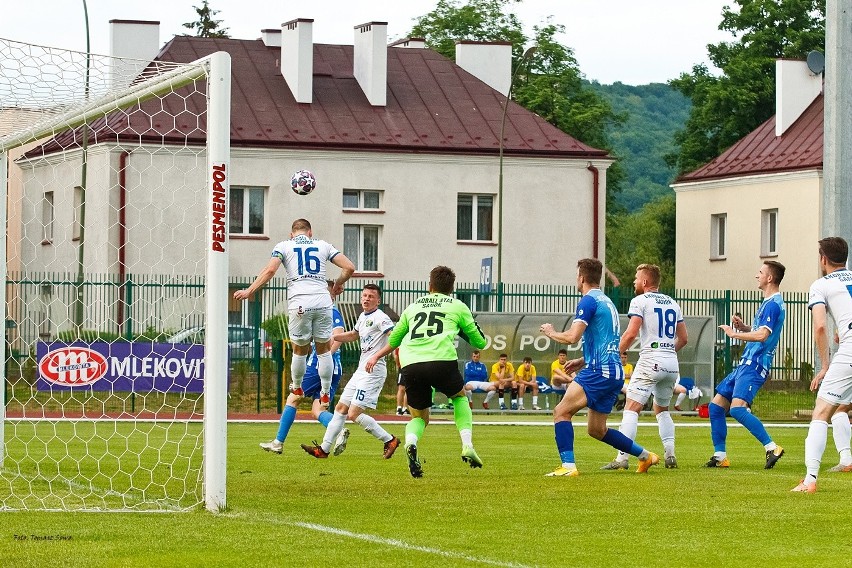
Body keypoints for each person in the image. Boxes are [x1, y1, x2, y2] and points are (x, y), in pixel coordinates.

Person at [539, 258, 660, 477]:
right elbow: (607, 340)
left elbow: (572, 337)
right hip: (614, 371)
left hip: (599, 370)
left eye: (577, 276)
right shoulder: (607, 302)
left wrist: (550, 332)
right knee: (597, 430)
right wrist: (582, 360)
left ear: (582, 278)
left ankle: (568, 467)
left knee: (561, 412)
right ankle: (645, 456)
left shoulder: (588, 301)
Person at [364, 265, 487, 478]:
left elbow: (394, 340)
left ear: (429, 286)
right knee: (459, 397)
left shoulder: (413, 307)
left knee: (419, 417)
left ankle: (411, 443)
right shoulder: (457, 306)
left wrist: (376, 356)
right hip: (441, 360)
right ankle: (467, 444)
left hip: (411, 363)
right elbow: (480, 342)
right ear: (452, 288)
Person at [234, 218, 355, 407]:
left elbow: (270, 270)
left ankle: (297, 386)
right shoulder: (323, 245)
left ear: (292, 234)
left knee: (299, 350)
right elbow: (349, 267)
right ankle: (325, 392)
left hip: (300, 302)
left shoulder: (284, 246)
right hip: (323, 302)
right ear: (310, 232)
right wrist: (338, 284)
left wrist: (249, 291)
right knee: (323, 351)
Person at [601, 264, 688, 471]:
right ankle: (670, 455)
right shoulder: (673, 303)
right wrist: (667, 352)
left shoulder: (639, 301)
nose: (634, 281)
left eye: (636, 278)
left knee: (632, 408)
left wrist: (613, 354)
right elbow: (683, 338)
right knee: (661, 410)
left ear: (645, 282)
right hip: (671, 362)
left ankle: (622, 458)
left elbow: (631, 334)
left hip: (651, 359)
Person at [301, 284, 400, 460]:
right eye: (364, 295)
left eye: (371, 296)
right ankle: (323, 449)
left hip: (374, 370)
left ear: (378, 300)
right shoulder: (363, 316)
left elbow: (394, 339)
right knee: (340, 408)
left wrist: (376, 356)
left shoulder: (381, 317)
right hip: (362, 370)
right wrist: (333, 337)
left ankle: (390, 440)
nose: (366, 299)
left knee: (353, 413)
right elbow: (354, 335)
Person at [705, 260, 787, 469]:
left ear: (769, 278)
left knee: (738, 409)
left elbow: (762, 336)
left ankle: (772, 447)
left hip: (756, 364)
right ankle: (720, 455)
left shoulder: (773, 304)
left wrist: (735, 334)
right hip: (746, 363)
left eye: (760, 272)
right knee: (715, 406)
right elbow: (761, 330)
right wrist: (743, 328)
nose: (757, 276)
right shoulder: (768, 302)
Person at [792, 237, 852, 492]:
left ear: (823, 259)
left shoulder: (820, 285)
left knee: (821, 412)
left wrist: (826, 365)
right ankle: (846, 458)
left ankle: (810, 480)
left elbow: (819, 326)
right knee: (841, 408)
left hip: (849, 353)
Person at [260, 280, 344, 454]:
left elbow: (338, 336)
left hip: (318, 366)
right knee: (317, 409)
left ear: (331, 295)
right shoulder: (322, 312)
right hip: (333, 368)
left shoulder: (331, 311)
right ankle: (339, 429)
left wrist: (324, 356)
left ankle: (278, 442)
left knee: (293, 399)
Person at [394, 348, 410, 416]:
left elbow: (396, 356)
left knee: (405, 389)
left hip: (407, 366)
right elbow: (396, 355)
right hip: (405, 366)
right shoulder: (401, 345)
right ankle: (400, 408)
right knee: (402, 388)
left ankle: (404, 408)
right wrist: (399, 365)